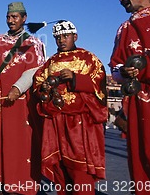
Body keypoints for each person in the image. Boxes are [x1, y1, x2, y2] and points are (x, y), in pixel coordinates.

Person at [0, 2, 46, 195]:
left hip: (18, 101)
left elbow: (35, 70)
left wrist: (18, 87)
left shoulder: (33, 43)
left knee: (18, 142)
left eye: (15, 17)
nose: (11, 20)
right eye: (8, 17)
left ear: (24, 18)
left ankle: (18, 184)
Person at [109, 0, 150, 194]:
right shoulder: (124, 29)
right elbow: (114, 69)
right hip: (140, 102)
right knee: (142, 161)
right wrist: (124, 72)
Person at [33, 20, 107, 195]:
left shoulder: (88, 58)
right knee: (60, 168)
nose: (61, 40)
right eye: (57, 37)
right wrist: (43, 88)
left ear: (75, 36)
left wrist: (75, 78)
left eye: (65, 36)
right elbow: (38, 82)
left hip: (80, 124)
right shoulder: (50, 62)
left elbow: (100, 84)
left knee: (80, 170)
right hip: (56, 121)